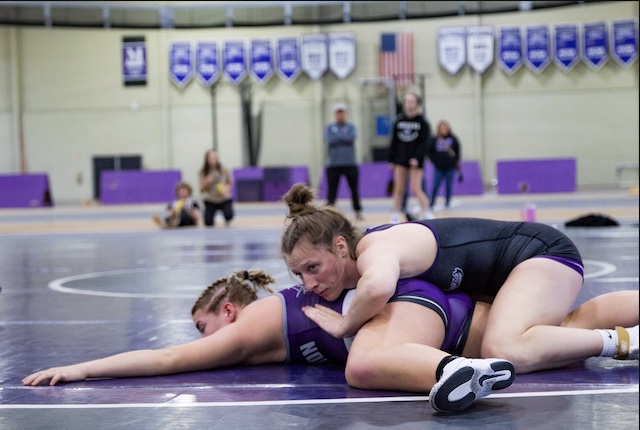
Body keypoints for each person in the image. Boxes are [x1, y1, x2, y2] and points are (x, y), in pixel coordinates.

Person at [22, 268, 638, 413]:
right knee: (572, 324)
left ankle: (447, 372)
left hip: (416, 314)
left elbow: (168, 360)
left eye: (204, 325)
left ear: (228, 311)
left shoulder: (260, 322)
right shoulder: (269, 320)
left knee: (365, 368)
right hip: (430, 310)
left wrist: (82, 369)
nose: (204, 340)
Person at [280, 183, 639, 411]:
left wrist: (345, 323)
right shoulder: (370, 253)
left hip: (538, 252)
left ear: (341, 246)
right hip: (520, 262)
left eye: (313, 267)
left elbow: (377, 289)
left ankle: (624, 342)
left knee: (506, 348)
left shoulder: (375, 248)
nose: (309, 283)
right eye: (299, 275)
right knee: (565, 327)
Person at [387, 91, 433, 224]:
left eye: (412, 101)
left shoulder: (422, 122)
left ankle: (427, 211)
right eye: (407, 101)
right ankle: (395, 214)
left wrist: (417, 158)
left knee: (416, 188)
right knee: (399, 188)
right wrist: (392, 160)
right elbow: (394, 141)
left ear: (417, 103)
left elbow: (425, 143)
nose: (409, 104)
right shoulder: (399, 121)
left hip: (415, 161)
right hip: (400, 159)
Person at [324, 103, 363, 221]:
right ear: (335, 114)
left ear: (345, 114)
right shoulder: (329, 128)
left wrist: (339, 137)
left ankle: (357, 211)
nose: (340, 115)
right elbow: (330, 139)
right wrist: (342, 137)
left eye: (342, 112)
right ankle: (329, 212)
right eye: (338, 112)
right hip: (333, 164)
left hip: (350, 163)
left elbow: (351, 138)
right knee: (332, 190)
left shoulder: (351, 127)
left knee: (354, 189)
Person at [428, 120, 462, 209]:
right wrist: (434, 160)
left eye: (445, 127)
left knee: (448, 185)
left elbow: (457, 151)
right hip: (439, 166)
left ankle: (447, 202)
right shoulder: (434, 139)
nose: (443, 129)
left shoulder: (453, 138)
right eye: (441, 128)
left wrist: (455, 162)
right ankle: (432, 202)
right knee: (435, 185)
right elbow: (429, 151)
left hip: (450, 167)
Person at [199, 149, 234, 227]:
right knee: (208, 222)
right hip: (211, 199)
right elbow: (201, 190)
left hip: (223, 198)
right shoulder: (203, 172)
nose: (213, 160)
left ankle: (227, 216)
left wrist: (226, 189)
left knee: (229, 216)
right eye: (211, 158)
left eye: (215, 158)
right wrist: (206, 181)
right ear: (207, 159)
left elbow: (230, 182)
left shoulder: (224, 170)